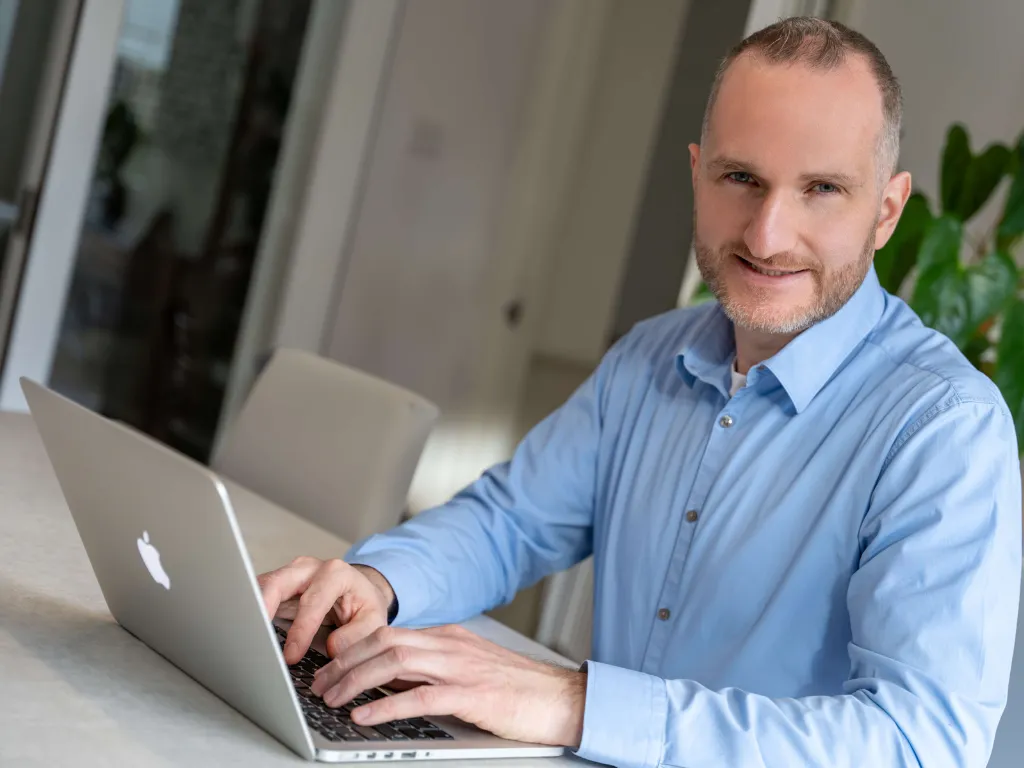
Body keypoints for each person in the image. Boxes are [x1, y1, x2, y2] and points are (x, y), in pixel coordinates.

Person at [258, 17, 1022, 767]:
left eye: (822, 189)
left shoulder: (945, 430)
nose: (766, 235)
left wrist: (575, 703)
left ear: (886, 211)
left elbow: (921, 746)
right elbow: (510, 522)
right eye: (741, 179)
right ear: (698, 173)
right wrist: (379, 582)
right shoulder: (652, 355)